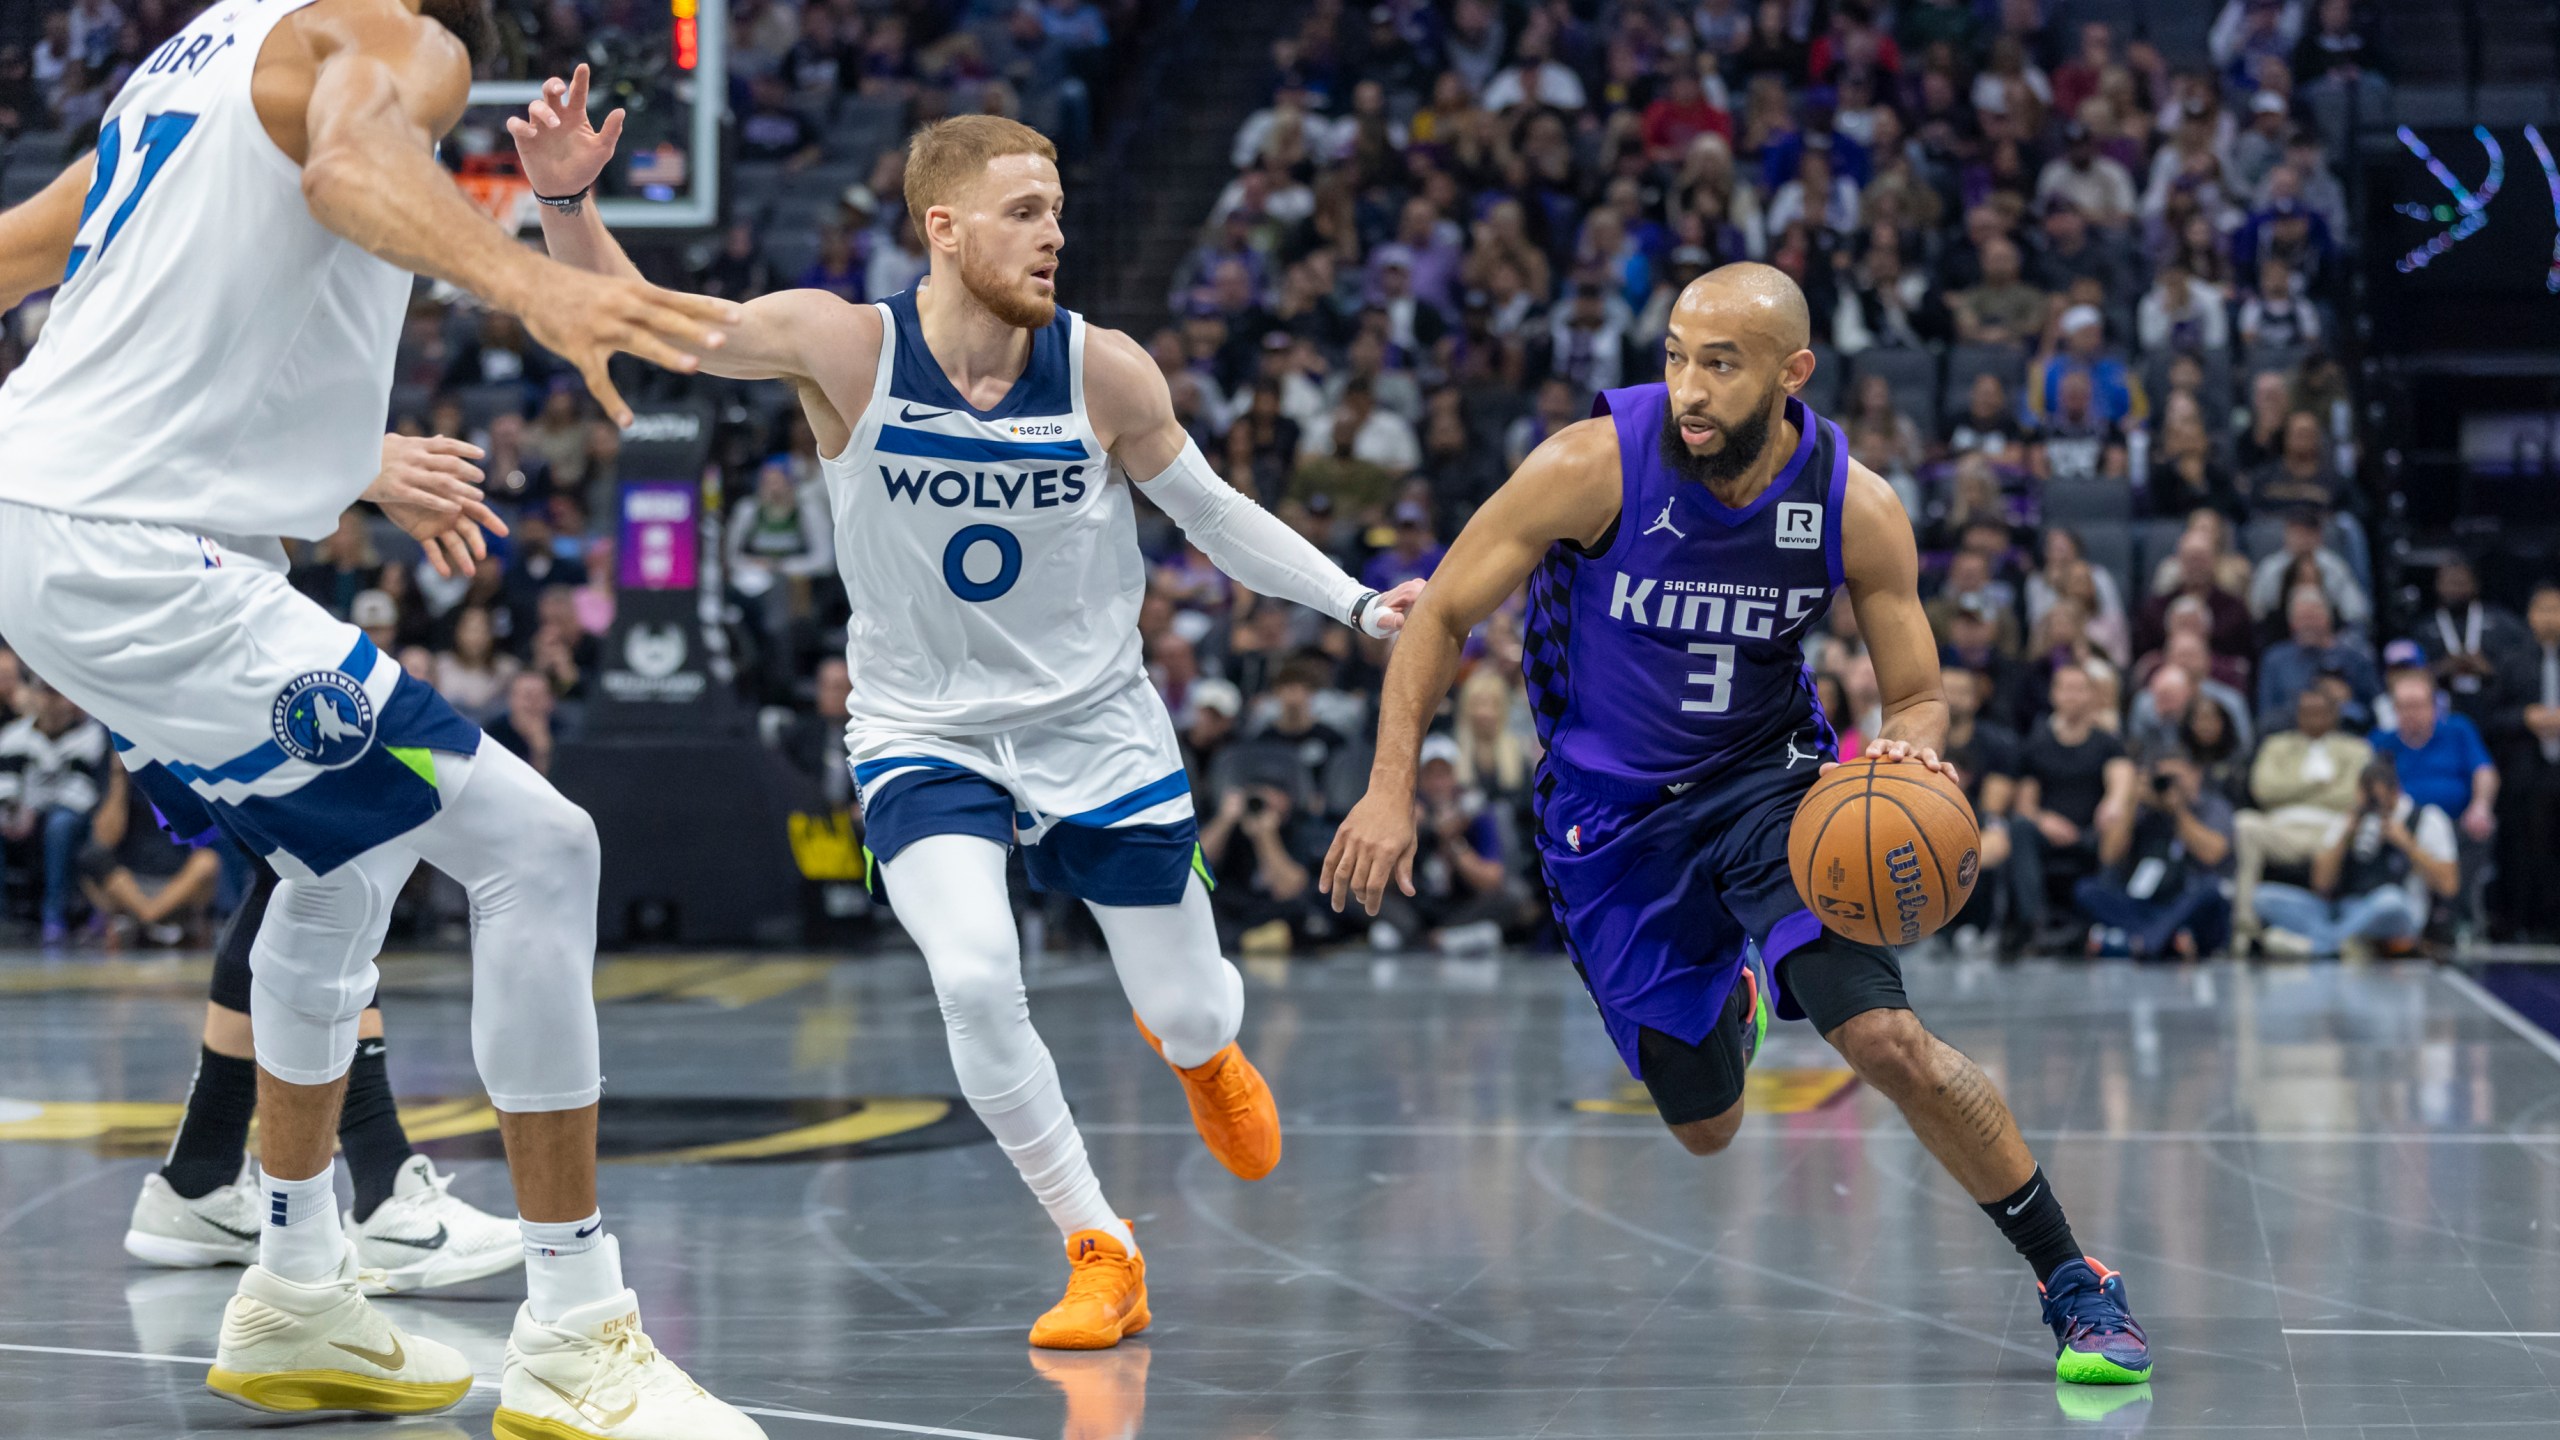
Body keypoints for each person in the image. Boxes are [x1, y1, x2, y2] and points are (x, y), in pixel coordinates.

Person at [515, 88, 1424, 1348]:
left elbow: (1214, 517)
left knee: (1197, 1007)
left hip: (1093, 724)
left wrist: (1359, 604)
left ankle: (1204, 1053)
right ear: (944, 228)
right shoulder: (843, 347)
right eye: (1025, 213)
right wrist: (565, 201)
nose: (1055, 235)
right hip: (922, 732)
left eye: (1059, 212)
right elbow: (653, 329)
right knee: (978, 979)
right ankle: (1099, 1244)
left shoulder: (1104, 369)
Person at [0, 3, 752, 1431]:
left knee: (339, 866)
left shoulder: (206, 43)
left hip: (56, 530)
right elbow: (351, 170)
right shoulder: (404, 32)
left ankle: (294, 1284)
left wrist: (349, 457)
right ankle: (578, 1332)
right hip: (141, 554)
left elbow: (33, 252)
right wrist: (542, 291)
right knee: (541, 848)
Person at [1318, 265, 2151, 1386]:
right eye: (1674, 356)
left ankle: (2073, 1279)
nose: (1688, 388)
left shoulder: (1853, 504)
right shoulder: (1590, 464)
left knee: (1885, 1042)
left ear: (1792, 372)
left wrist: (1909, 741)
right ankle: (1740, 1001)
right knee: (1705, 1123)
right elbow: (1443, 616)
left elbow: (1916, 692)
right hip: (1607, 825)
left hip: (1773, 789)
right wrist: (1388, 788)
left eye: (1719, 363)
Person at [2256, 755, 2460, 957]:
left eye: (2377, 798)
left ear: (2395, 792)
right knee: (2262, 897)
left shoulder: (2427, 819)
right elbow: (2320, 885)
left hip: (2396, 911)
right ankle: (2341, 942)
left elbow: (2449, 886)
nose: (2373, 804)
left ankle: (2321, 946)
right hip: (2345, 909)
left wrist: (2408, 845)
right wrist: (2345, 837)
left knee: (2390, 899)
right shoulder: (2350, 819)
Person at [2011, 662, 2138, 950]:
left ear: (2092, 696)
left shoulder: (2107, 743)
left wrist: (2113, 803)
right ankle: (2034, 924)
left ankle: (2102, 919)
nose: (2072, 696)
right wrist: (2044, 821)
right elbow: (2025, 804)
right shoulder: (2036, 745)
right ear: (2054, 695)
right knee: (2020, 827)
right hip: (2051, 833)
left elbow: (2122, 779)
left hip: (2093, 832)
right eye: (2066, 689)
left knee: (2120, 818)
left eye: (2080, 689)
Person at [2233, 685, 2370, 944]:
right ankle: (2246, 926)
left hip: (2333, 827)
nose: (2313, 718)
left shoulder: (2356, 749)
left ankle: (2343, 933)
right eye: (2306, 712)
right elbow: (2264, 789)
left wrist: (2293, 788)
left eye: (2320, 712)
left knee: (2354, 827)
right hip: (2283, 828)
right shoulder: (2276, 745)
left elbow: (2353, 795)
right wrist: (2317, 784)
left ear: (2334, 715)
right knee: (2245, 824)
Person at [2073, 741, 2233, 958]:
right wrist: (2130, 801)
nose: (2167, 785)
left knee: (2211, 890)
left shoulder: (2211, 807)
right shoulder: (2145, 809)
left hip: (2186, 902)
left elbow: (2213, 854)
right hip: (2147, 903)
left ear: (2195, 774)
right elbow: (2109, 856)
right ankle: (2163, 939)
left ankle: (2140, 941)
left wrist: (2177, 812)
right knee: (2087, 890)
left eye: (2174, 778)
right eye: (2162, 779)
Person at [0, 675, 108, 943]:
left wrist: (37, 812)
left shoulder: (88, 736)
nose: (50, 702)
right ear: (33, 696)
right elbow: (6, 785)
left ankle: (54, 915)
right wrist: (13, 811)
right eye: (44, 693)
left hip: (72, 818)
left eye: (57, 694)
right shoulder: (15, 735)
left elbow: (81, 793)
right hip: (24, 817)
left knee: (60, 825)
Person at [2491, 583, 2560, 939]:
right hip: (2527, 771)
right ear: (2530, 617)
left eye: (2556, 609)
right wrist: (2525, 717)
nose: (2550, 618)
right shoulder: (2513, 661)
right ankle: (2524, 922)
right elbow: (2492, 718)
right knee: (2526, 847)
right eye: (2543, 610)